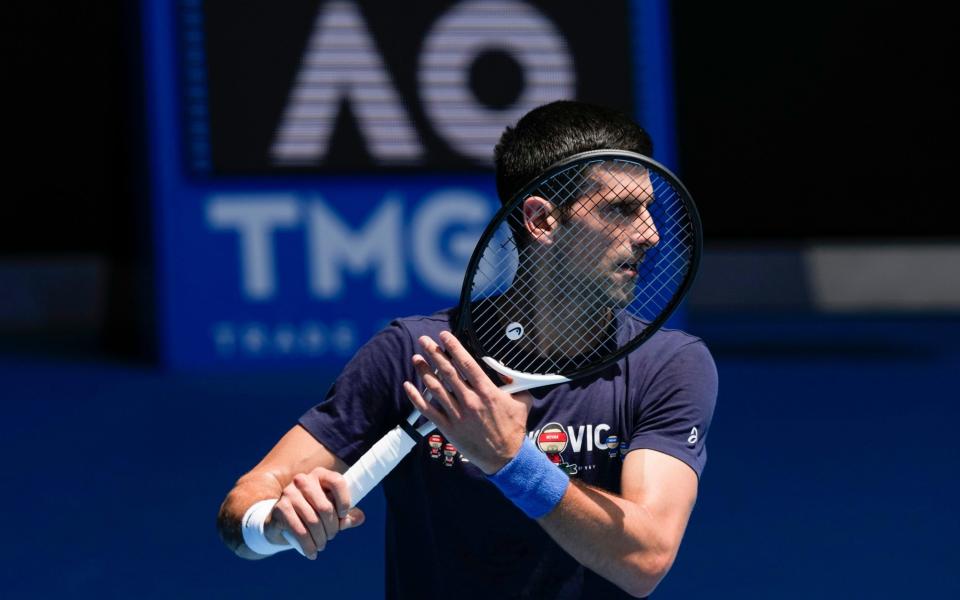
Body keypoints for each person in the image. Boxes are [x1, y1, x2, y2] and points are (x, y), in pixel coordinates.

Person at [217, 100, 718, 599]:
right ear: (542, 221)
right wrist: (274, 523)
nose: (650, 234)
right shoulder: (416, 355)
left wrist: (511, 460)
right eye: (621, 210)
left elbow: (646, 558)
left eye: (649, 208)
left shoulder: (667, 366)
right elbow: (242, 511)